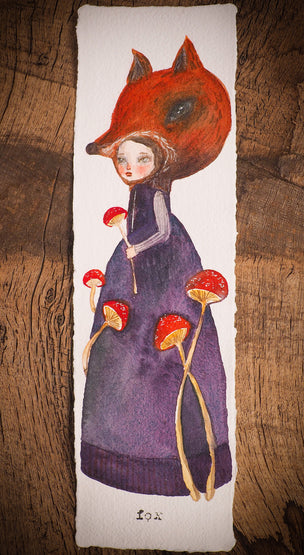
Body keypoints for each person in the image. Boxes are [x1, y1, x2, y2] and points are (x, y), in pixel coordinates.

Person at [81, 136, 231, 498]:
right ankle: (112, 453)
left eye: (141, 158)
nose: (129, 166)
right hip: (131, 271)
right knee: (122, 354)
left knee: (172, 361)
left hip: (166, 268)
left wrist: (136, 246)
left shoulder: (157, 194)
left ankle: (188, 468)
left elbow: (162, 230)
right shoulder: (136, 193)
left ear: (159, 161)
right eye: (122, 159)